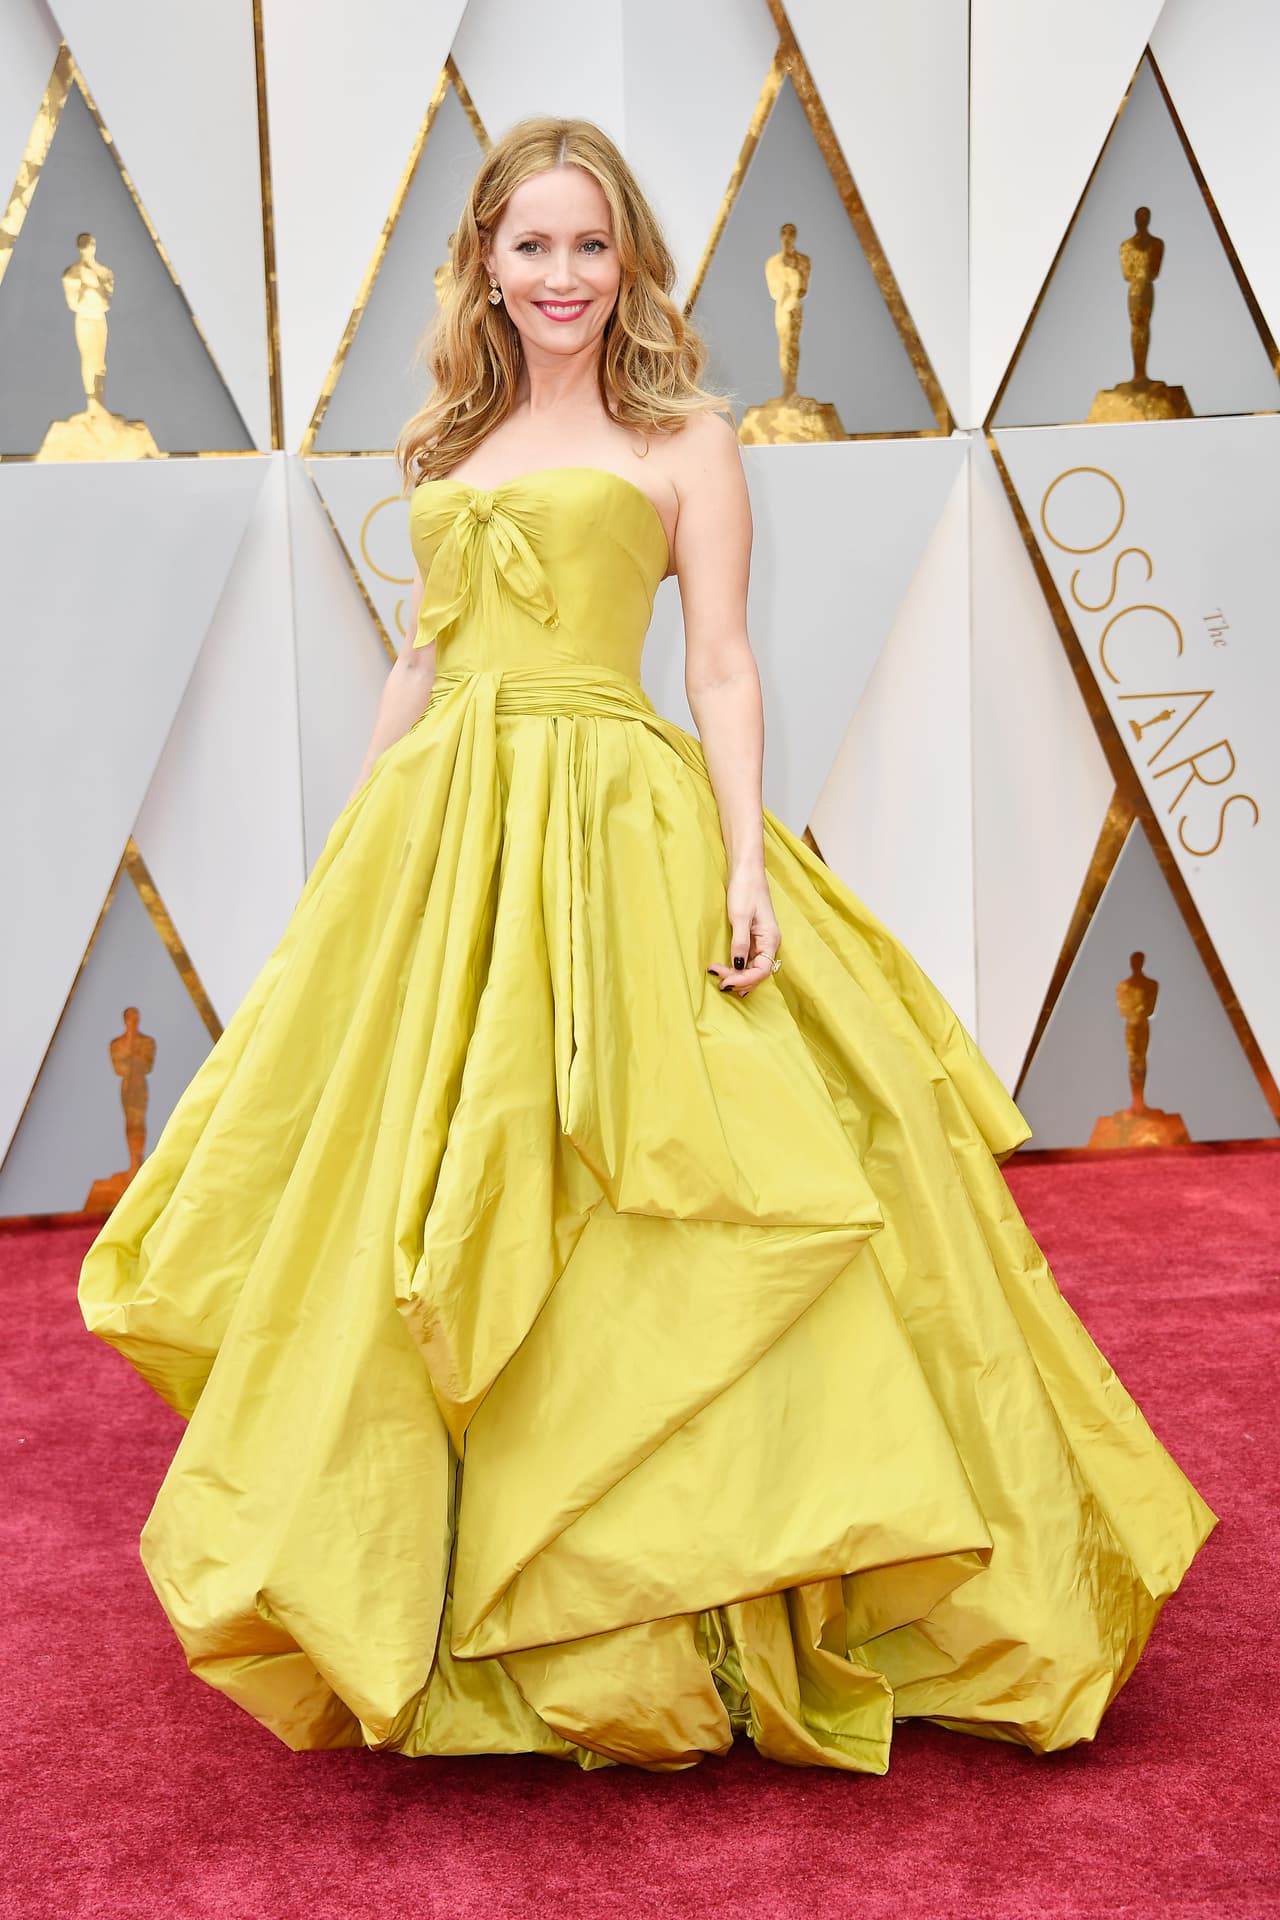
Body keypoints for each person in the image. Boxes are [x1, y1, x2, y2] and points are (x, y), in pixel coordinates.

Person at [78, 116, 1216, 1776]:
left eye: (590, 246)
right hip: (447, 832)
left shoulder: (687, 439)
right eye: (531, 245)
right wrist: (362, 853)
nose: (562, 275)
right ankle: (460, 1591)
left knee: (661, 1189)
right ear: (483, 262)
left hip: (618, 819)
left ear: (630, 264)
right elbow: (422, 659)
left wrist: (747, 862)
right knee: (442, 1188)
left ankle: (705, 1605)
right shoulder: (442, 444)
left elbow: (724, 665)